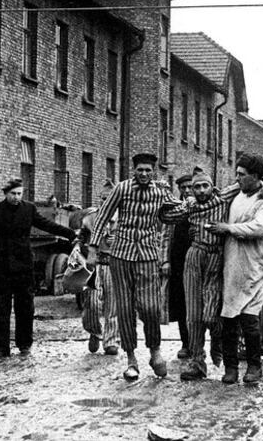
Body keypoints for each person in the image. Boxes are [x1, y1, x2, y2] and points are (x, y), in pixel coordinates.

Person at [88, 153, 184, 381]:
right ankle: (131, 359)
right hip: (121, 254)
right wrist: (93, 248)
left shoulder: (160, 191)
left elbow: (177, 211)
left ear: (154, 171)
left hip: (148, 255)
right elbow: (102, 216)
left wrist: (198, 204)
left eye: (148, 170)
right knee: (125, 307)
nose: (144, 174)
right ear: (134, 170)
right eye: (140, 170)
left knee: (151, 307)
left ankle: (155, 351)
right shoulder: (121, 189)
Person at [0, 178, 76, 359]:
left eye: (19, 193)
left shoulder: (29, 209)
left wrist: (69, 233)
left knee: (25, 307)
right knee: (1, 308)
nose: (16, 197)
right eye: (13, 194)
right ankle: (1, 348)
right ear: (5, 194)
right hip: (2, 265)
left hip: (24, 265)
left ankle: (24, 344)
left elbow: (47, 225)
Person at [208, 153, 263, 385]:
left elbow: (259, 228)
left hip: (255, 268)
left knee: (250, 320)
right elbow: (218, 197)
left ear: (256, 177)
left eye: (242, 175)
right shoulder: (237, 197)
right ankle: (230, 368)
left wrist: (228, 228)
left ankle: (254, 366)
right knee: (228, 318)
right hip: (233, 264)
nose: (237, 178)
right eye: (236, 174)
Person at [175, 171, 239, 381]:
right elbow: (166, 215)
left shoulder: (223, 200)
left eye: (205, 186)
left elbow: (247, 183)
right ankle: (197, 362)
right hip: (194, 256)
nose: (201, 190)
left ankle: (217, 342)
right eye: (197, 187)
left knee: (212, 312)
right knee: (193, 313)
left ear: (212, 186)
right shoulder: (189, 206)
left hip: (217, 258)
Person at [77, 179, 120, 356]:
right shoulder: (90, 218)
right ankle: (94, 331)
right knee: (92, 303)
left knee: (112, 305)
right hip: (94, 266)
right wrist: (86, 250)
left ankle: (111, 341)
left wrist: (117, 241)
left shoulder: (124, 218)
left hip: (114, 265)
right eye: (103, 199)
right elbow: (80, 241)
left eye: (110, 198)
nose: (106, 202)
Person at [160, 174, 193, 359]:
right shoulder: (174, 209)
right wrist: (164, 260)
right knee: (181, 304)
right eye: (183, 188)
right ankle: (186, 343)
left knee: (199, 303)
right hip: (178, 261)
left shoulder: (202, 206)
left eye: (190, 187)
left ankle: (198, 343)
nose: (187, 191)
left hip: (199, 261)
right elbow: (165, 237)